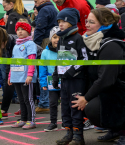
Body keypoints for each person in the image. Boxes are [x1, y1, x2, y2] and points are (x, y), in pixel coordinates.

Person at [72, 8, 125, 145]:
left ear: (104, 24)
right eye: (86, 21)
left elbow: (107, 79)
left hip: (120, 90)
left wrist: (86, 98)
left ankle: (122, 130)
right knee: (79, 101)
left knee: (92, 108)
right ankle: (115, 130)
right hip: (110, 90)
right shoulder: (94, 42)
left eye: (91, 22)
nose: (87, 25)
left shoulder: (112, 45)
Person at [52, 8, 88, 145]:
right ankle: (69, 133)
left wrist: (72, 71)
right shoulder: (61, 39)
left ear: (71, 22)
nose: (60, 24)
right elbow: (58, 60)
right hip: (64, 80)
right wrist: (56, 75)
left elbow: (84, 59)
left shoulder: (78, 38)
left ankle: (78, 137)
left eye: (63, 21)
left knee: (75, 107)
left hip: (76, 80)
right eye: (59, 21)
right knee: (65, 107)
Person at [8, 19, 37, 129]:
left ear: (28, 31)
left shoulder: (30, 44)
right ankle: (23, 119)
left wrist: (30, 75)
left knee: (28, 99)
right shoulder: (16, 45)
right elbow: (13, 61)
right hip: (16, 76)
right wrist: (10, 76)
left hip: (25, 76)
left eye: (23, 29)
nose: (20, 31)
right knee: (21, 99)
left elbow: (32, 60)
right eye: (18, 29)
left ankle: (31, 120)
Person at [0, 27, 17, 119]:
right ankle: (4, 110)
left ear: (3, 40)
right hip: (11, 62)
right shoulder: (3, 45)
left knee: (25, 86)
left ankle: (26, 110)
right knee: (8, 83)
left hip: (30, 62)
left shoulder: (14, 43)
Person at [39, 26, 60, 125]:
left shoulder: (65, 51)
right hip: (51, 81)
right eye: (55, 37)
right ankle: (53, 122)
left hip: (64, 80)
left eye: (59, 37)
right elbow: (43, 68)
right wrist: (43, 82)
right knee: (53, 103)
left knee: (65, 103)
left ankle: (66, 122)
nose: (57, 40)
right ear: (51, 38)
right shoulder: (45, 52)